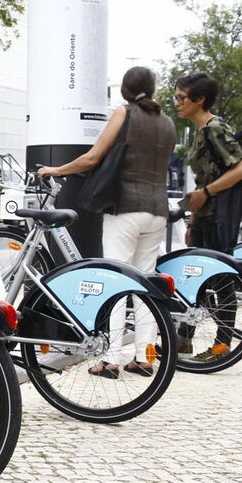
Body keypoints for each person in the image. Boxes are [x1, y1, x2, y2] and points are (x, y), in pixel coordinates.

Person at [37, 66, 176, 376]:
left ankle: (111, 358)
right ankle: (144, 356)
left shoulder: (123, 114)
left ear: (126, 90)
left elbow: (92, 157)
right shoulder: (167, 123)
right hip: (157, 211)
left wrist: (55, 170)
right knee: (145, 285)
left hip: (125, 210)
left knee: (115, 282)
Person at [175, 72, 242, 361]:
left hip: (219, 215)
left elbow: (241, 168)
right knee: (198, 279)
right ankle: (184, 340)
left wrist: (207, 192)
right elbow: (206, 176)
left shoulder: (216, 127)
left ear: (199, 99)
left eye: (181, 97)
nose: (177, 103)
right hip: (205, 215)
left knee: (220, 280)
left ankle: (222, 345)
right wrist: (194, 220)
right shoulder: (200, 131)